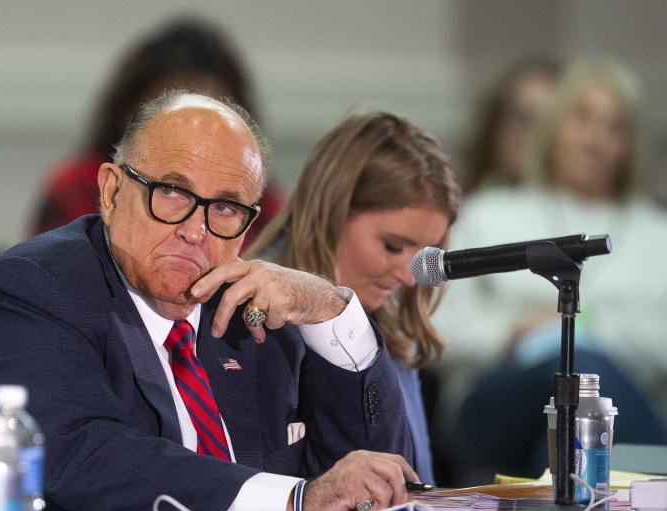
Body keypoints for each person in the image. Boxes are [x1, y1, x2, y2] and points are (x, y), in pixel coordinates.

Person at [0, 91, 417, 511]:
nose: (195, 229)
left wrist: (331, 311)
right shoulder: (34, 288)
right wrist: (297, 498)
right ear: (112, 192)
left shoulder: (251, 316)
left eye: (226, 207)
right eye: (172, 192)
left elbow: (371, 476)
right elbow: (81, 454)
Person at [435, 58, 667, 480]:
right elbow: (442, 326)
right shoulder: (490, 214)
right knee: (567, 371)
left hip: (621, 401)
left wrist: (580, 330)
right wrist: (515, 333)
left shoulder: (658, 233)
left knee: (580, 376)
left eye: (614, 127)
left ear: (630, 144)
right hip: (497, 401)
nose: (596, 139)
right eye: (582, 119)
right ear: (555, 126)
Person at [248, 113, 459, 485]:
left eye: (427, 252)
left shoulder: (392, 325)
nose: (409, 276)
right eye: (392, 246)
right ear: (330, 213)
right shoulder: (253, 323)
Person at [27, 17, 283, 247]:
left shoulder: (263, 204)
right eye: (170, 113)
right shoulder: (77, 186)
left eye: (213, 116)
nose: (195, 134)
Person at [461, 57, 560, 194]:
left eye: (547, 124)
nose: (533, 137)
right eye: (521, 119)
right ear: (495, 125)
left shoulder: (587, 209)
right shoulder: (455, 207)